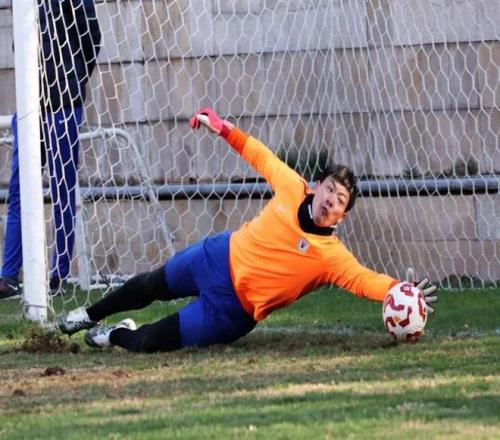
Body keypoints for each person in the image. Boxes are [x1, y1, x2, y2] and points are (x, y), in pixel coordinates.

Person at [58, 108, 438, 351]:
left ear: (341, 216)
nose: (330, 200)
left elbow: (364, 280)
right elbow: (259, 154)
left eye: (340, 200)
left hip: (229, 312)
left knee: (148, 341)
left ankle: (114, 334)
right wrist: (222, 127)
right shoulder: (291, 186)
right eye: (329, 190)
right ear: (316, 186)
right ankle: (88, 314)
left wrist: (400, 292)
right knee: (150, 284)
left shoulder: (331, 258)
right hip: (216, 257)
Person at [0, 0, 101, 299]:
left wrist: (72, 81)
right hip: (29, 107)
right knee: (19, 190)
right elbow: (19, 45)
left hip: (64, 105)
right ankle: (9, 276)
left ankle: (59, 274)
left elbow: (91, 40)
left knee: (62, 190)